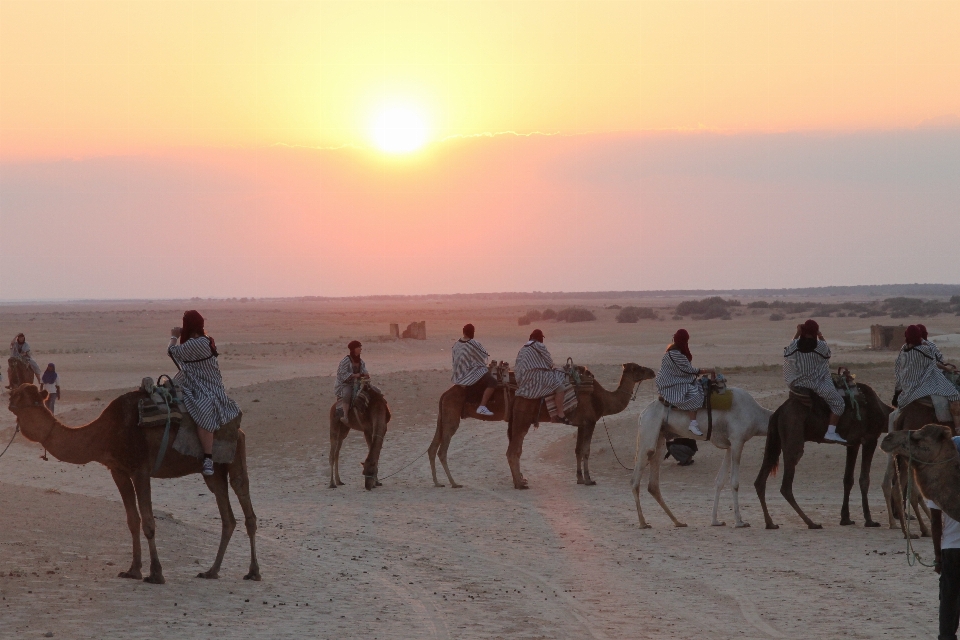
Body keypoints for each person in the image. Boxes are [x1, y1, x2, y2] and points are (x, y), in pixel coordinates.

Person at [168, 310, 241, 477]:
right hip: (190, 381)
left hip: (207, 387)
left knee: (203, 407)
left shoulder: (199, 343)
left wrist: (174, 336)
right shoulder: (200, 341)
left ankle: (208, 458)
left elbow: (171, 351)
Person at [783, 319, 846, 443]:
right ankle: (831, 432)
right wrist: (820, 336)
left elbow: (787, 353)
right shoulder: (820, 346)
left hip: (796, 383)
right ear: (815, 331)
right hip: (816, 383)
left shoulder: (794, 345)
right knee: (839, 404)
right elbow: (828, 354)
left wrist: (797, 333)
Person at [894, 325, 960, 433]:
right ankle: (958, 429)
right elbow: (935, 362)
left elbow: (897, 369)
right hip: (923, 384)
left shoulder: (903, 350)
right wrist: (947, 369)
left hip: (907, 388)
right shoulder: (925, 349)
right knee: (954, 395)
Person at [656, 329, 716, 436]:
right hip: (670, 383)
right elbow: (690, 370)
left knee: (696, 384)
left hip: (674, 379)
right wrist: (710, 370)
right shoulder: (676, 355)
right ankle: (693, 423)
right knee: (694, 393)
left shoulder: (671, 352)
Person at [930, 455, 960, 640]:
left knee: (949, 599)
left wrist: (937, 556)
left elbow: (935, 522)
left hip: (951, 548)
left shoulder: (939, 485)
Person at [514, 329, 571, 424]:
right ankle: (560, 414)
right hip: (535, 376)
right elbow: (549, 362)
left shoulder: (523, 347)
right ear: (540, 338)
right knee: (560, 388)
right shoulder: (539, 346)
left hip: (522, 379)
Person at [452, 324, 497, 416]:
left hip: (457, 375)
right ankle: (482, 406)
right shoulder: (473, 343)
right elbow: (484, 356)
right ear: (472, 332)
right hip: (469, 374)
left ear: (463, 332)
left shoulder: (456, 344)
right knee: (493, 382)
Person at [335, 340, 369, 427]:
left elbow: (364, 371)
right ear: (354, 349)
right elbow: (342, 373)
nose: (361, 349)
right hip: (347, 384)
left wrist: (365, 375)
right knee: (347, 394)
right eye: (359, 347)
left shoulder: (361, 361)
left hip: (358, 383)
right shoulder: (346, 361)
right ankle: (345, 416)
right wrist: (354, 375)